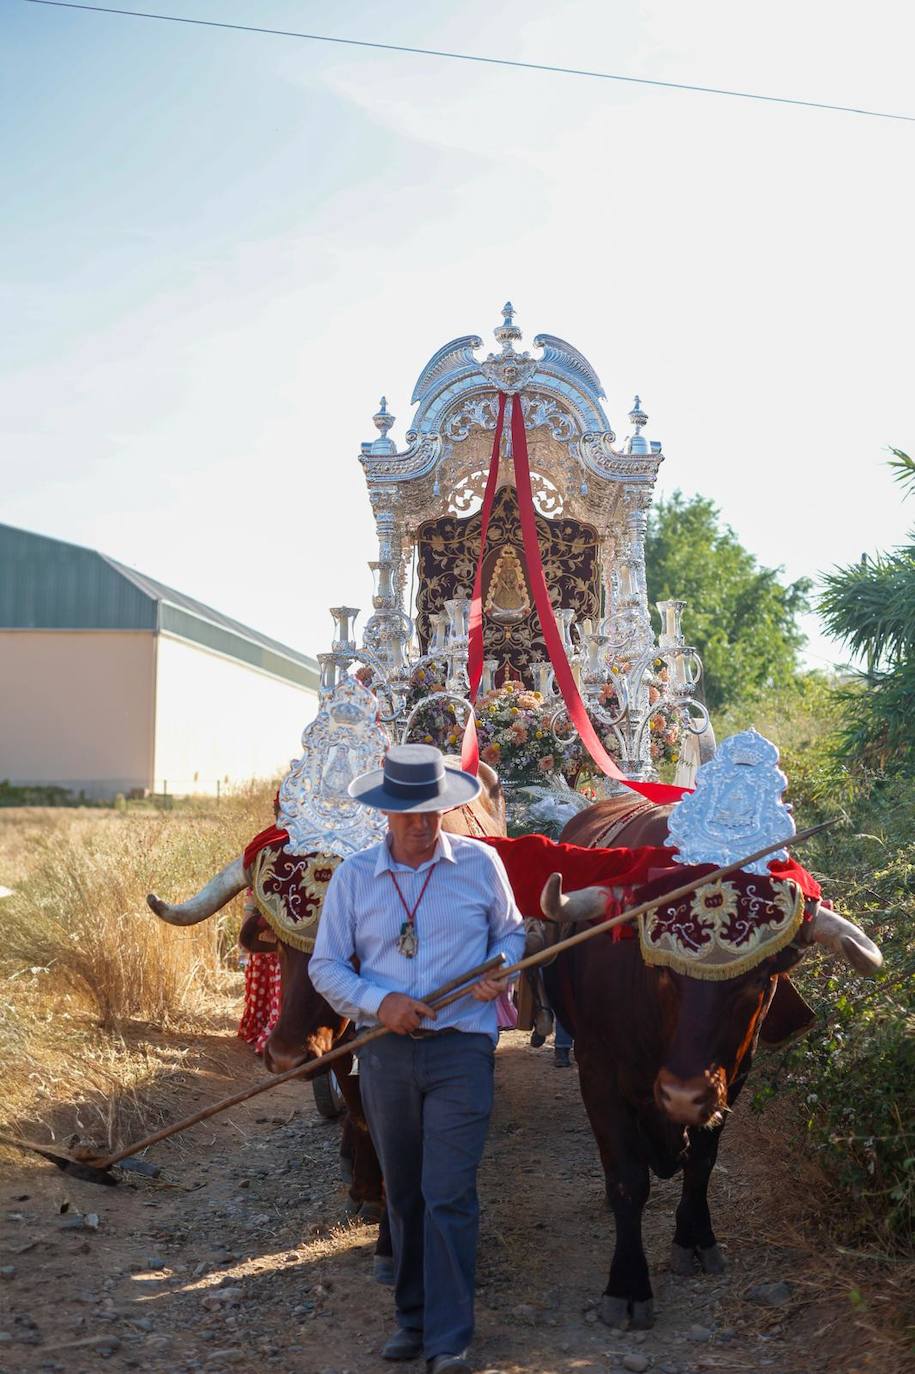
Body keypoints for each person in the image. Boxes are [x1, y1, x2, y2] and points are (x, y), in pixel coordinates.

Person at [310, 744, 525, 1374]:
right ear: (386, 812)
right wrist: (381, 1002)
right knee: (402, 1193)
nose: (422, 824)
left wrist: (502, 971)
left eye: (431, 811)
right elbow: (325, 965)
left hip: (462, 1049)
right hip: (385, 1054)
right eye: (409, 813)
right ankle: (412, 1318)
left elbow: (512, 933)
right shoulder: (355, 877)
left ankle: (449, 1339)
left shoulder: (481, 864)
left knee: (448, 1192)